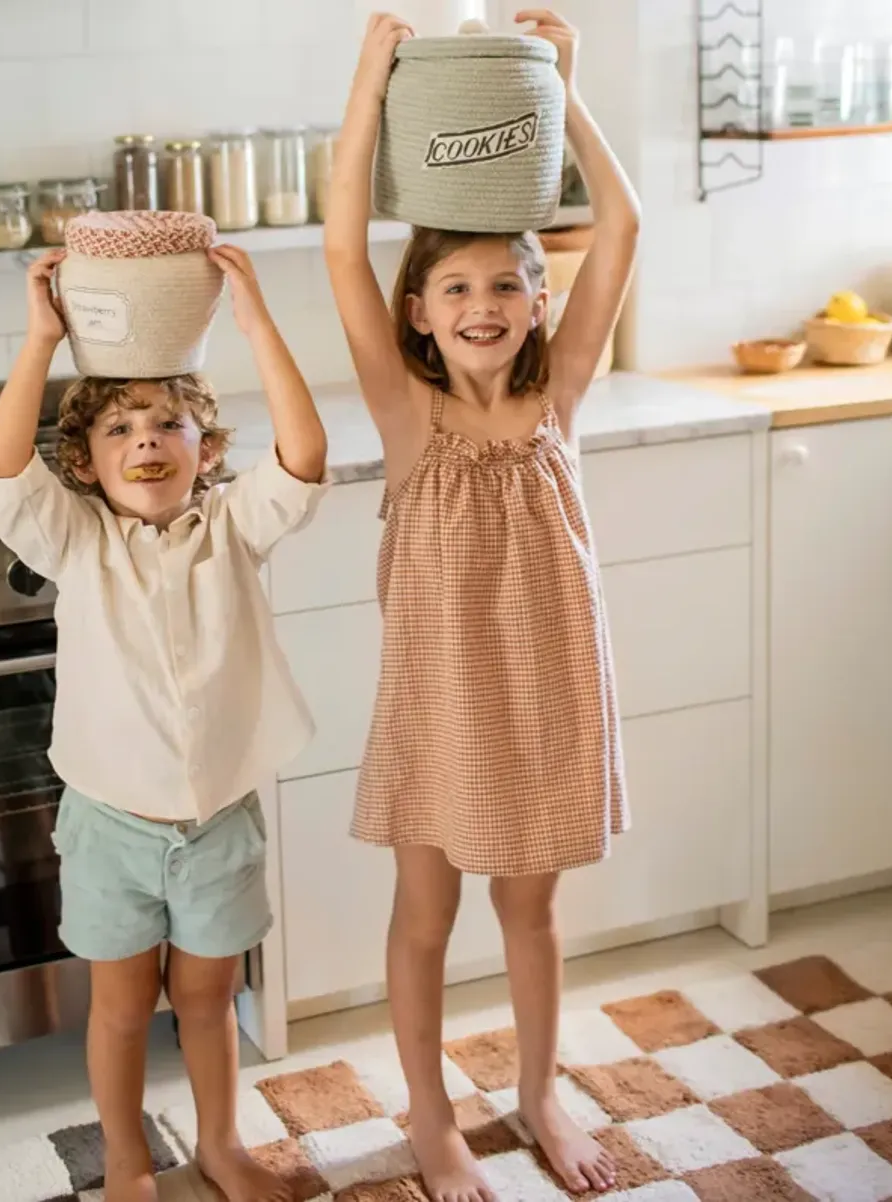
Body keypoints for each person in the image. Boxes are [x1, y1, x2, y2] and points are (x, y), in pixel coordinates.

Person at [325, 9, 640, 1198]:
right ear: (419, 310)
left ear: (540, 300)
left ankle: (541, 1091)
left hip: (550, 694)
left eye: (508, 281)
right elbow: (345, 247)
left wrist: (564, 84)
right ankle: (428, 1115)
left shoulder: (561, 399)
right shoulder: (410, 422)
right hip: (439, 701)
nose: (484, 301)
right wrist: (369, 82)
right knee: (423, 915)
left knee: (533, 914)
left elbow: (623, 223)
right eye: (455, 284)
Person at [0, 243, 327, 1202]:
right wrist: (40, 341)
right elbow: (3, 474)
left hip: (217, 821)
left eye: (168, 423)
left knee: (211, 1003)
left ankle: (222, 1147)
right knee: (124, 1008)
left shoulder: (234, 527)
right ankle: (128, 1161)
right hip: (111, 827)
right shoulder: (78, 543)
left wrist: (257, 327)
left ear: (205, 451)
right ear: (86, 465)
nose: (146, 441)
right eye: (122, 428)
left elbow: (305, 457)